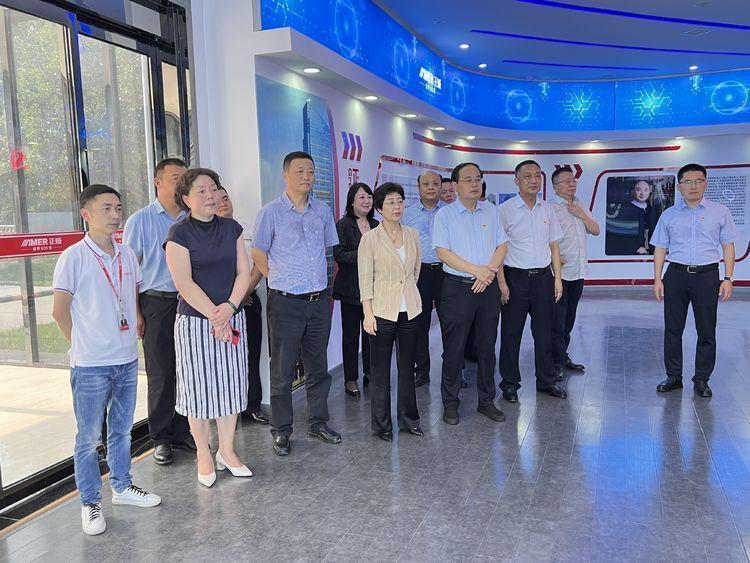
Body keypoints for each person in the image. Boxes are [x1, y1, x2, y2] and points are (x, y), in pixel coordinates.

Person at [52, 185, 161, 536]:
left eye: (118, 208)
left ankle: (122, 486)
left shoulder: (127, 254)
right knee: (87, 438)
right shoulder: (73, 257)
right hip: (90, 364)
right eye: (106, 209)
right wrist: (82, 345)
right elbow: (59, 311)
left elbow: (131, 296)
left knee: (121, 430)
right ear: (86, 214)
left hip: (126, 357)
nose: (115, 215)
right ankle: (90, 502)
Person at [165, 168, 253, 487]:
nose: (210, 195)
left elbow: (244, 273)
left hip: (231, 316)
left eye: (213, 189)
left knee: (231, 384)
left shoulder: (232, 228)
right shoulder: (179, 233)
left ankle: (226, 450)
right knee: (198, 388)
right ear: (186, 199)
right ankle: (203, 452)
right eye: (201, 191)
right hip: (195, 322)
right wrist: (216, 316)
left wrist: (229, 308)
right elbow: (184, 283)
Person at [252, 151, 341, 456]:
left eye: (311, 171)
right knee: (283, 369)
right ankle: (281, 429)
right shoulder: (270, 213)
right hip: (285, 303)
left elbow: (327, 250)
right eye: (300, 171)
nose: (307, 176)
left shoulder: (323, 211)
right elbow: (258, 253)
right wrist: (278, 278)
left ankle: (318, 422)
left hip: (317, 301)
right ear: (285, 174)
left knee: (319, 367)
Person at [123, 158, 194, 465]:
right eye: (175, 177)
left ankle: (183, 431)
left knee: (188, 370)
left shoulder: (192, 217)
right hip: (156, 303)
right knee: (162, 373)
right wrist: (136, 313)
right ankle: (161, 438)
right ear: (158, 182)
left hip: (190, 303)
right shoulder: (140, 221)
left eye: (185, 178)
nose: (181, 183)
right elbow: (129, 271)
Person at [651, 163, 738, 398]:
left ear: (705, 183)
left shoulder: (720, 212)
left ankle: (702, 379)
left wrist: (728, 278)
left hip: (707, 276)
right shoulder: (668, 215)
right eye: (688, 182)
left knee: (706, 330)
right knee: (673, 329)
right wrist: (657, 279)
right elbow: (660, 248)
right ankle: (673, 376)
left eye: (699, 181)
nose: (693, 186)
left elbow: (728, 246)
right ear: (679, 186)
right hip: (676, 275)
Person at [433, 162, 508, 425]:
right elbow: (443, 253)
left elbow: (502, 245)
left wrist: (489, 272)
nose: (475, 184)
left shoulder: (492, 211)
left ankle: (486, 401)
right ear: (454, 185)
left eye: (478, 178)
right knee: (454, 349)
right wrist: (478, 271)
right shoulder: (445, 215)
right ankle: (450, 403)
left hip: (487, 288)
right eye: (468, 179)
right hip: (458, 288)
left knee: (487, 346)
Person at [497, 160, 567, 402]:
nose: (534, 180)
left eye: (537, 175)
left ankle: (546, 381)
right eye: (527, 176)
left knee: (544, 333)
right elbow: (498, 249)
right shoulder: (505, 210)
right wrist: (502, 283)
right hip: (514, 279)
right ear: (517, 180)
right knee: (511, 334)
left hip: (544, 279)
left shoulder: (547, 209)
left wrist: (558, 279)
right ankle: (509, 384)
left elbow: (554, 245)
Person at [359, 183, 423, 440]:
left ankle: (409, 420)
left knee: (407, 368)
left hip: (410, 310)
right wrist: (368, 313)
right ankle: (382, 424)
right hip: (382, 311)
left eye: (400, 201)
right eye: (390, 202)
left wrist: (408, 295)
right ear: (379, 208)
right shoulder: (370, 239)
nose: (397, 207)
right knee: (380, 371)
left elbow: (415, 271)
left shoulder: (413, 234)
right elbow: (365, 280)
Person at [216, 186, 269, 424]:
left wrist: (245, 291)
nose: (223, 202)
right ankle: (228, 408)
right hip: (222, 306)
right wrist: (233, 299)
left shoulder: (246, 228)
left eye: (226, 198)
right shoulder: (209, 234)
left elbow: (259, 262)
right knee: (225, 358)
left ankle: (252, 405)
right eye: (218, 200)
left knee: (251, 353)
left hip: (249, 300)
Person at [550, 166, 600, 380]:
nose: (572, 184)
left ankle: (562, 356)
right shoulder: (550, 208)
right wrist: (551, 257)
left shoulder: (580, 205)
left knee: (569, 319)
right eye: (566, 181)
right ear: (555, 187)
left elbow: (595, 230)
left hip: (578, 272)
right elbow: (542, 238)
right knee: (557, 321)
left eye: (573, 180)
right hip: (558, 274)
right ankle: (554, 362)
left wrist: (581, 214)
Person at [332, 182, 379, 399]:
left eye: (369, 197)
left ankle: (371, 373)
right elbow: (339, 255)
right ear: (352, 201)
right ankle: (350, 379)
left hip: (374, 290)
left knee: (372, 335)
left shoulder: (377, 224)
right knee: (351, 337)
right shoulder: (343, 225)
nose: (366, 201)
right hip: (351, 291)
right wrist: (365, 255)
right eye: (361, 197)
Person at [402, 170, 443, 388]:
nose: (431, 187)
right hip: (419, 274)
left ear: (441, 187)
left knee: (452, 324)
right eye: (426, 184)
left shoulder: (450, 212)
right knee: (420, 324)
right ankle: (422, 370)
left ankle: (456, 370)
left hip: (447, 273)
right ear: (418, 188)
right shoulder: (406, 214)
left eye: (435, 183)